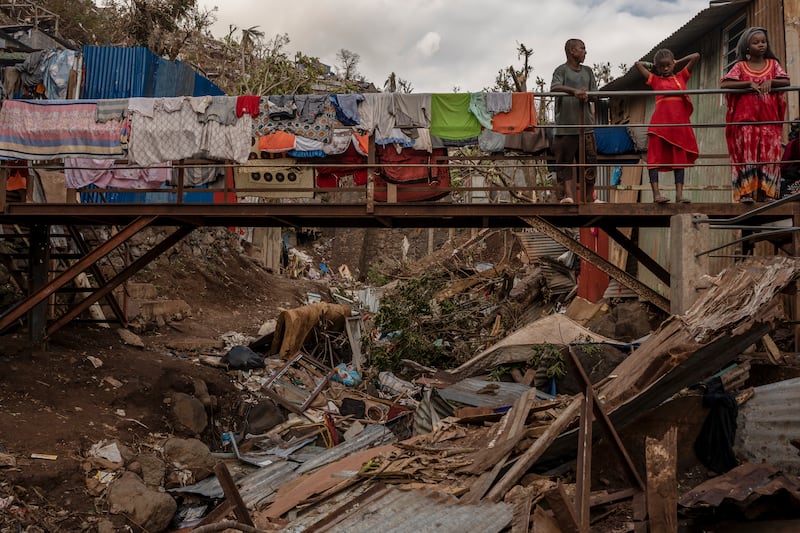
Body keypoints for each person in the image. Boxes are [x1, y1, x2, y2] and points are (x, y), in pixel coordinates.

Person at [720, 27, 790, 203]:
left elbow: (786, 81)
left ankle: (768, 194)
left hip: (769, 120)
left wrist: (771, 81)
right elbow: (725, 84)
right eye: (756, 42)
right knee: (746, 156)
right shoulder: (740, 66)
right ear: (746, 47)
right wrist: (747, 84)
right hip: (745, 121)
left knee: (769, 156)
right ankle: (745, 194)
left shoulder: (773, 65)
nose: (761, 45)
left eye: (763, 42)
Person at [635, 50, 700, 203]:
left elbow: (695, 56)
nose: (665, 68)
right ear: (657, 68)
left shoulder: (681, 76)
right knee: (654, 159)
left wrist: (677, 62)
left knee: (679, 160)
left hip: (678, 126)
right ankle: (656, 194)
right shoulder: (655, 80)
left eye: (668, 65)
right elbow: (638, 65)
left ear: (673, 64)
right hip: (660, 126)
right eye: (662, 66)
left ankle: (679, 195)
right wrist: (653, 65)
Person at [550, 38, 598, 204]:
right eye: (582, 48)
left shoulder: (588, 71)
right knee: (565, 162)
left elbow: (596, 96)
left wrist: (587, 94)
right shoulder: (561, 71)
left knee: (590, 161)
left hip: (586, 126)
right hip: (566, 126)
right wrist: (574, 91)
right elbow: (554, 88)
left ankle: (589, 198)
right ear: (572, 51)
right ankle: (568, 196)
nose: (585, 51)